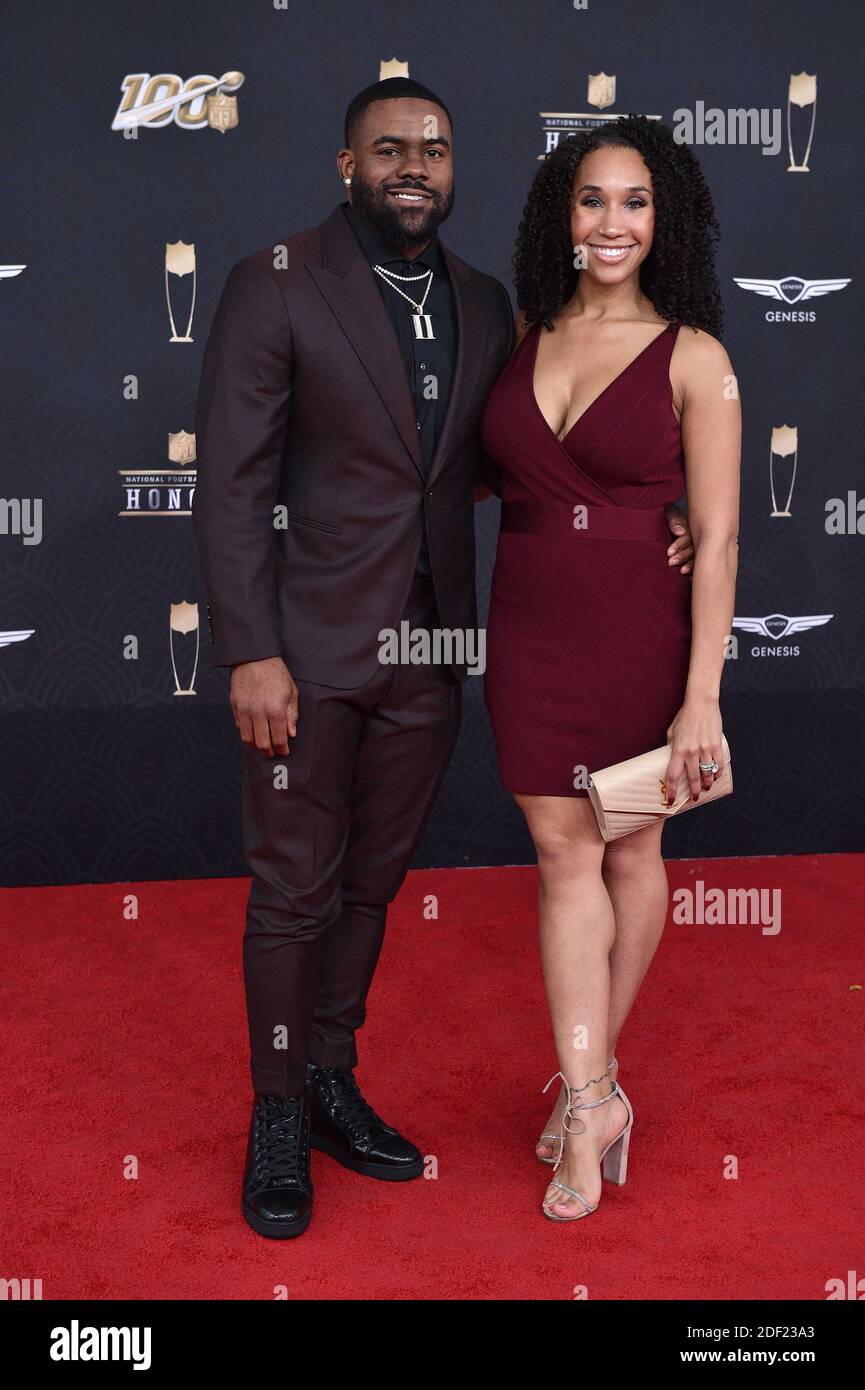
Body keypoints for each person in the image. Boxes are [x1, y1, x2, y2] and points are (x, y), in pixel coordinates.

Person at [192, 79, 694, 1240]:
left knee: (367, 886)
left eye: (434, 147)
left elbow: (519, 455)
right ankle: (275, 1114)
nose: (413, 163)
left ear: (454, 168)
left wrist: (656, 516)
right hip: (307, 656)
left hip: (434, 653)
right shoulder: (274, 283)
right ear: (345, 163)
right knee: (291, 892)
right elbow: (230, 483)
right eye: (389, 147)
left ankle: (328, 1084)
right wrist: (249, 650)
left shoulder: (482, 302)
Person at [480, 116, 740, 1222]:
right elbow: (500, 478)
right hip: (532, 625)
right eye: (592, 200)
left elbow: (719, 537)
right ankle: (595, 1093)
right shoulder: (526, 328)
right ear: (562, 214)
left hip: (643, 634)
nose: (612, 222)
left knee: (628, 851)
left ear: (663, 217)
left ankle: (588, 1093)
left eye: (634, 201)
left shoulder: (695, 355)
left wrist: (700, 699)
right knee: (559, 846)